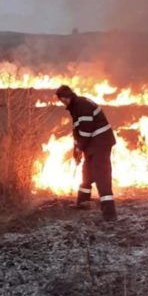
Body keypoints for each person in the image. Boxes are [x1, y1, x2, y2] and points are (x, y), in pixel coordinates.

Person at [55, 85, 117, 221]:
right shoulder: (76, 106)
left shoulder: (81, 105)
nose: (62, 103)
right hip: (93, 143)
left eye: (62, 100)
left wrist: (80, 147)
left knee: (101, 175)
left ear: (66, 97)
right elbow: (78, 130)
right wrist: (76, 148)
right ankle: (83, 202)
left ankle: (109, 211)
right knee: (87, 171)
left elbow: (86, 130)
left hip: (101, 142)